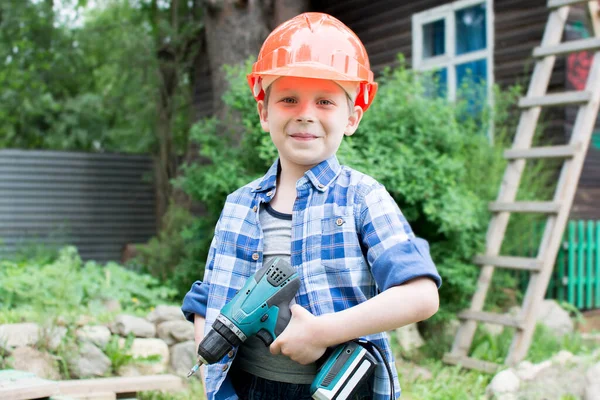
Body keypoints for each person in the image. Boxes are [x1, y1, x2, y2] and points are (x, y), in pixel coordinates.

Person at [182, 12, 442, 400]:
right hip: (246, 388)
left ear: (352, 117)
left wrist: (324, 332)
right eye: (289, 99)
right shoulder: (238, 205)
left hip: (334, 389)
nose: (305, 113)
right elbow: (209, 298)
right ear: (264, 112)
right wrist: (210, 364)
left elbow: (421, 295)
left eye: (324, 101)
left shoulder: (363, 198)